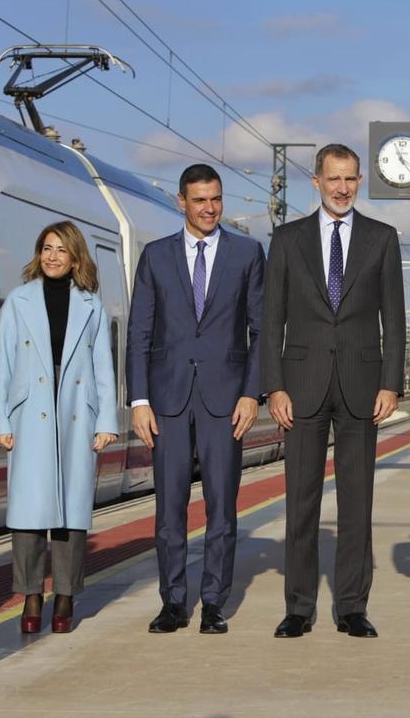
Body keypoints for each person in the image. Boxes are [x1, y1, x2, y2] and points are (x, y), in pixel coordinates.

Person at [261, 143, 405, 639]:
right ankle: (298, 607)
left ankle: (351, 607)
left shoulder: (382, 238)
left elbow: (395, 317)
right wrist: (273, 387)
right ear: (316, 181)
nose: (342, 188)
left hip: (362, 386)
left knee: (356, 503)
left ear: (359, 181)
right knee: (300, 500)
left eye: (351, 180)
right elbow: (270, 318)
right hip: (300, 387)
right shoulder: (287, 239)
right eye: (334, 179)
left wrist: (392, 383)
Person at [126, 164, 265, 635]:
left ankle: (213, 602)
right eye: (200, 200)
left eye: (216, 199)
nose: (209, 208)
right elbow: (139, 332)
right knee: (169, 509)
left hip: (226, 401)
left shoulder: (247, 253)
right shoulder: (155, 256)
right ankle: (173, 602)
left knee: (222, 508)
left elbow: (261, 331)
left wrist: (252, 394)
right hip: (167, 399)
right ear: (181, 202)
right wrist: (138, 399)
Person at [0, 222, 118, 633]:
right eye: (46, 248)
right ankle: (30, 595)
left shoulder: (91, 305)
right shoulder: (17, 301)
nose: (52, 256)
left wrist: (106, 421)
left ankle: (65, 594)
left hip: (77, 413)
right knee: (28, 512)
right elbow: (5, 365)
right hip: (30, 414)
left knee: (71, 512)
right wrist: (2, 420)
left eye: (62, 250)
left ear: (76, 257)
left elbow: (103, 364)